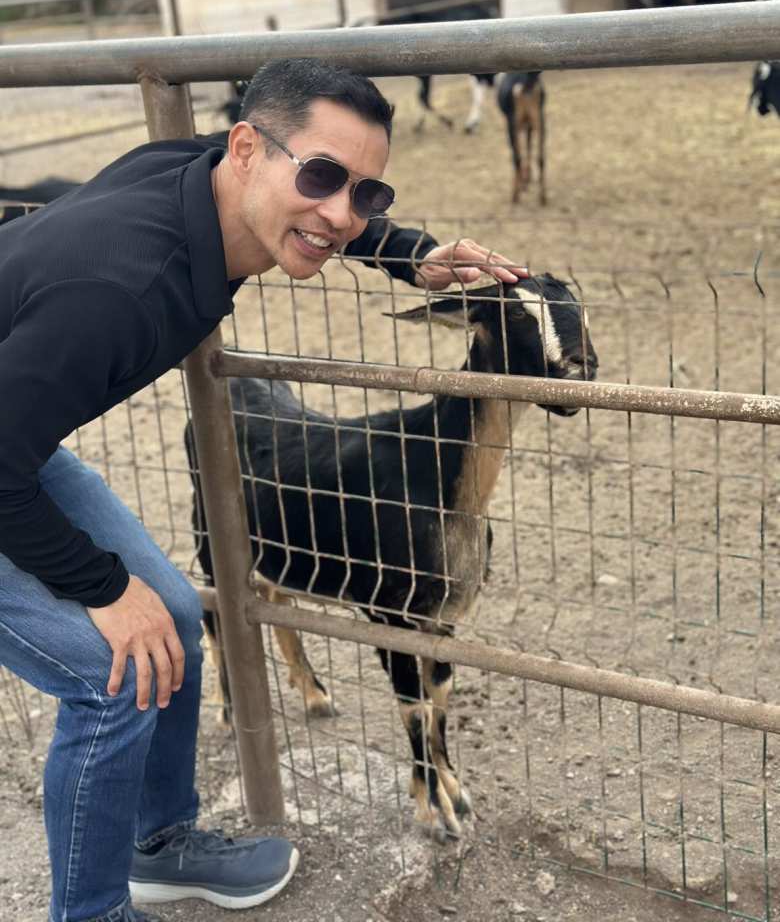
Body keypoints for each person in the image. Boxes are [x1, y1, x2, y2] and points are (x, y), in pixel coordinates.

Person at [0, 57, 527, 922]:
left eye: (366, 194)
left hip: (12, 436)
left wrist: (414, 255)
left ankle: (158, 845)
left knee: (172, 619)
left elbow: (317, 209)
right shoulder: (122, 289)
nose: (340, 212)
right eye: (320, 176)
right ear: (247, 148)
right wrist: (98, 589)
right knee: (114, 669)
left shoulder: (193, 180)